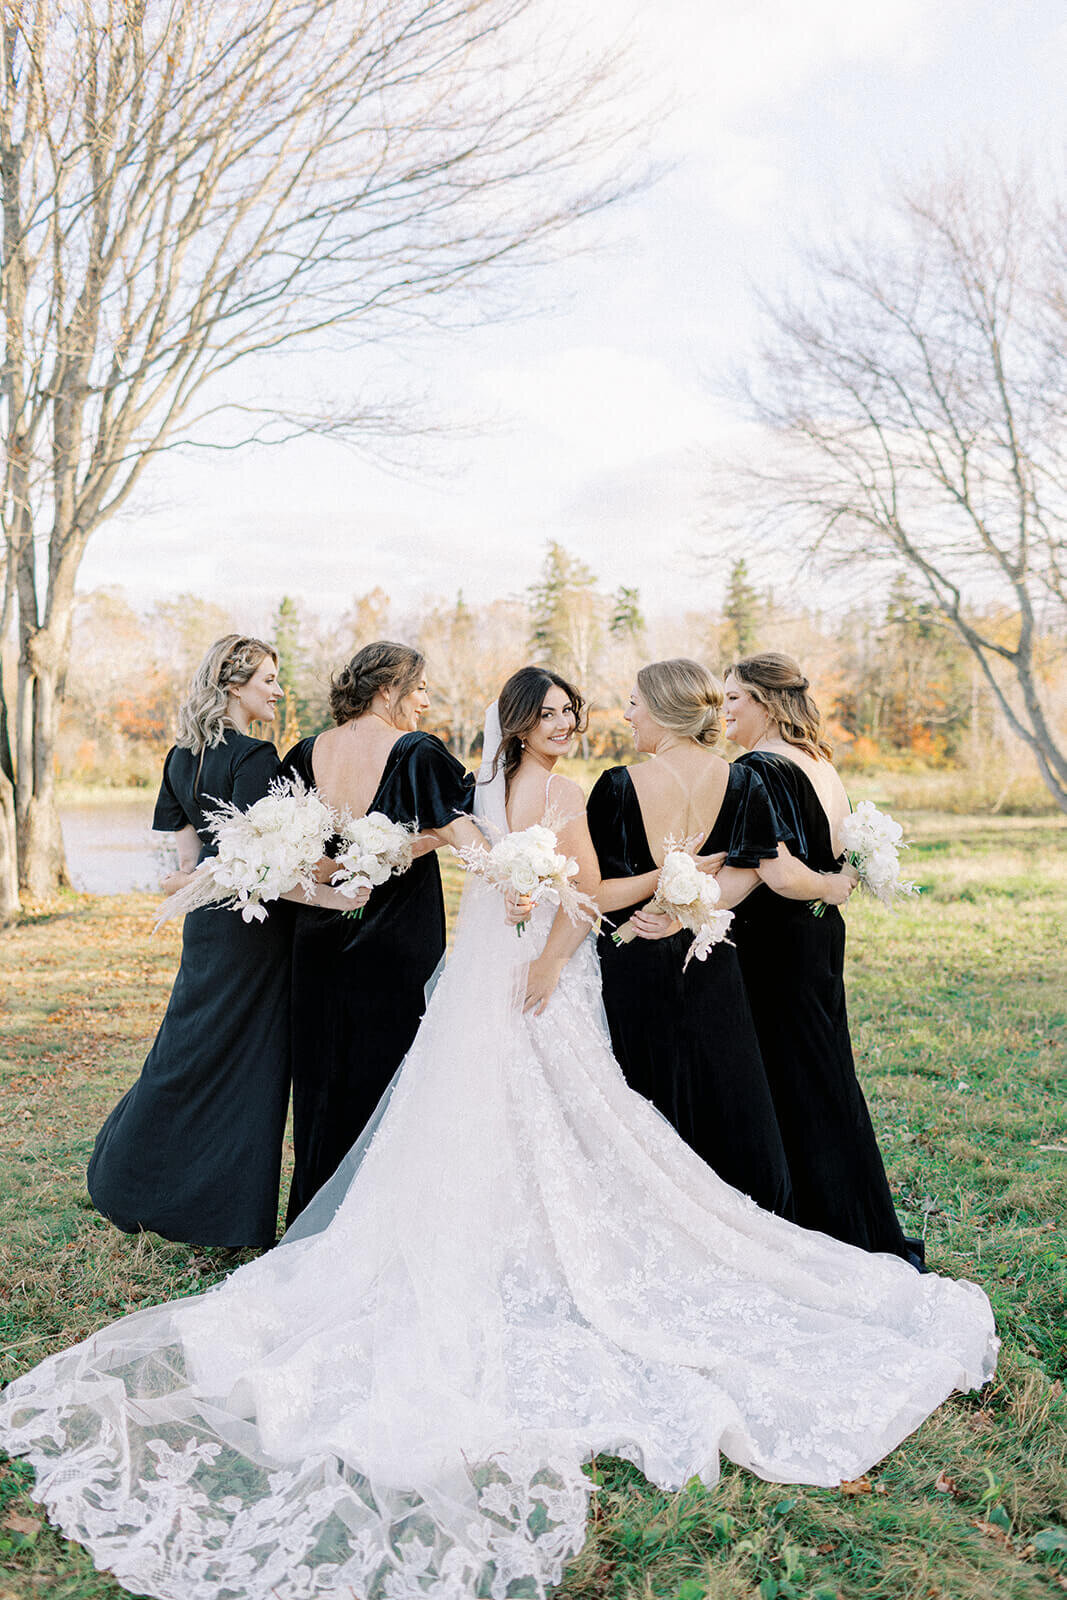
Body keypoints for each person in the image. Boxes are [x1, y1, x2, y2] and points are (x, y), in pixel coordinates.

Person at [0, 666, 997, 1600]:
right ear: (520, 721)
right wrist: (538, 901)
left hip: (536, 971)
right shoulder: (492, 787)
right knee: (459, 1111)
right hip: (494, 974)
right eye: (552, 716)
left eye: (574, 716)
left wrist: (557, 931)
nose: (567, 727)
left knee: (566, 1119)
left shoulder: (555, 794)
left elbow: (579, 891)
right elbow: (489, 862)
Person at [87, 636, 293, 1249]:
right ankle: (226, 1216)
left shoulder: (180, 757)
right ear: (234, 685)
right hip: (254, 928)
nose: (277, 690)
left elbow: (183, 865)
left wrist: (203, 876)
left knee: (187, 1052)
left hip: (203, 926)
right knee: (252, 1067)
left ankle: (141, 1178)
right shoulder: (258, 756)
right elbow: (259, 864)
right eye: (267, 679)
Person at [719, 650, 923, 1264]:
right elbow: (838, 854)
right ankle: (847, 1219)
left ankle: (824, 1229)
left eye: (733, 698)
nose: (723, 710)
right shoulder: (819, 763)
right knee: (823, 1071)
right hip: (816, 935)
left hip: (777, 938)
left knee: (791, 1075)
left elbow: (778, 872)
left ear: (765, 702)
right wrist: (834, 888)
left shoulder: (757, 768)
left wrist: (830, 886)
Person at [587, 658, 800, 1214]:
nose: (628, 714)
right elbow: (749, 868)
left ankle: (654, 1214)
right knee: (722, 1083)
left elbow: (595, 890)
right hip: (709, 955)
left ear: (660, 709)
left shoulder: (616, 786)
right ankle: (732, 1212)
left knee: (645, 1087)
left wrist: (661, 910)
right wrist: (686, 915)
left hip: (631, 957)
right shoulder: (744, 779)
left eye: (634, 703)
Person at [279, 640, 477, 1224]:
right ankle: (385, 1221)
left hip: (316, 930)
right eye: (419, 688)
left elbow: (290, 857)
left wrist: (339, 867)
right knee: (397, 1064)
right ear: (388, 688)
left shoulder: (305, 751)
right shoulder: (417, 752)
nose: (426, 700)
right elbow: (463, 834)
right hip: (397, 931)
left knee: (322, 1070)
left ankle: (318, 1214)